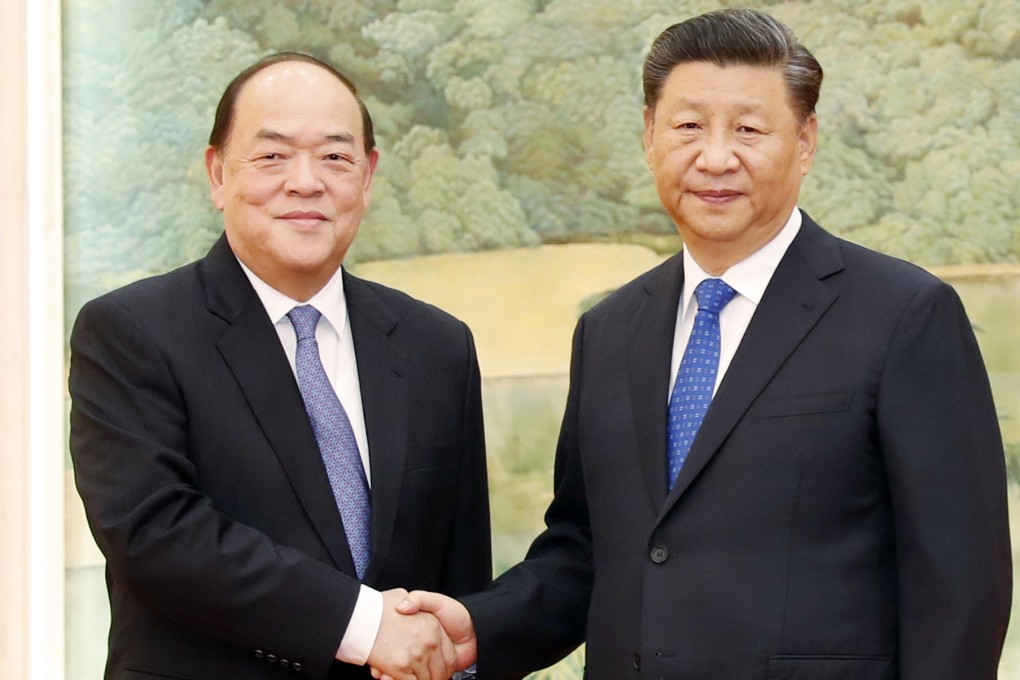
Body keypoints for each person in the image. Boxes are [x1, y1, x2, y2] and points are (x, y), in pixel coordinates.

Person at [397, 8, 1012, 680]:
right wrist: (480, 626)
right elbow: (587, 551)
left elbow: (960, 584)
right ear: (649, 136)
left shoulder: (905, 316)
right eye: (688, 126)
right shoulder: (608, 330)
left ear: (805, 141)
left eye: (749, 129)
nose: (716, 157)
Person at [69, 52, 490, 680]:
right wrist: (367, 625)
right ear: (217, 174)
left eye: (336, 157)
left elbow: (460, 583)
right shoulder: (132, 332)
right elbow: (156, 537)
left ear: (367, 177)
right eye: (272, 156)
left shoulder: (437, 345)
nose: (306, 181)